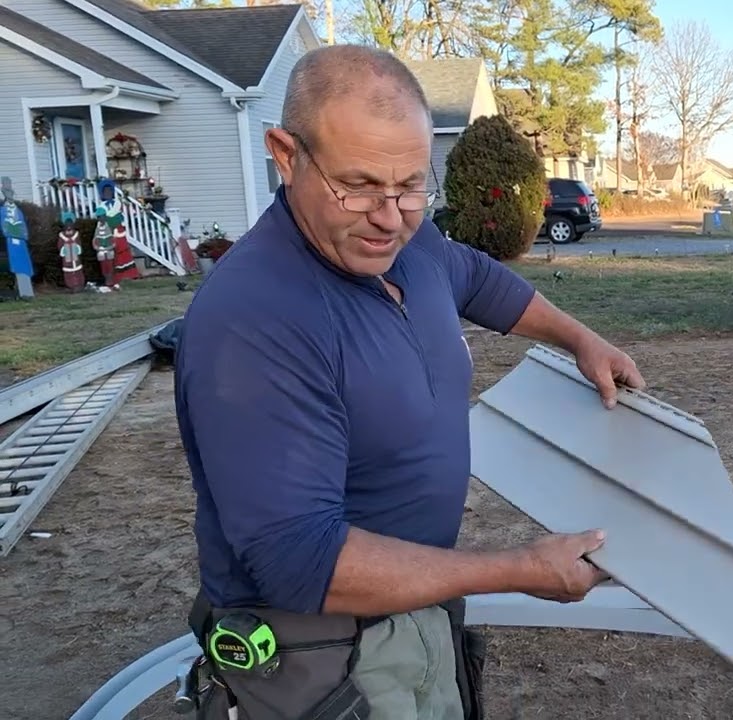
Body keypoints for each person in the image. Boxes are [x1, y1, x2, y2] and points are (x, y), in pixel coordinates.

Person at [173, 44, 646, 720]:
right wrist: (520, 569)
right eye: (359, 185)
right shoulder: (254, 320)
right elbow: (300, 559)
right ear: (285, 154)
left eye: (411, 185)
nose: (390, 216)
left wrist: (578, 338)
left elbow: (477, 279)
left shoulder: (406, 243)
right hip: (319, 650)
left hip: (417, 606)